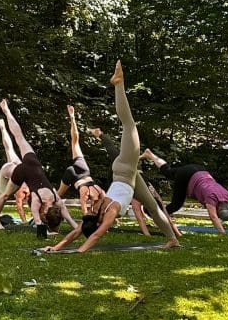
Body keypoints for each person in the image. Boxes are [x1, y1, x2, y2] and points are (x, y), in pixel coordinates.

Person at [44, 62, 180, 253]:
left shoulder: (97, 215)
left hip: (124, 170)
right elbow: (95, 235)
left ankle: (118, 84)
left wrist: (57, 247)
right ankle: (172, 239)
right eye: (91, 212)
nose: (89, 209)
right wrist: (76, 250)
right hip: (128, 176)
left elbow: (78, 233)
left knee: (129, 125)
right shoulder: (109, 213)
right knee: (129, 126)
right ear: (97, 219)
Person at [0, 100, 77, 237]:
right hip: (22, 171)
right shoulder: (37, 201)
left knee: (19, 137)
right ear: (45, 213)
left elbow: (66, 215)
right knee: (6, 195)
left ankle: (7, 111)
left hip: (34, 164)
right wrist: (47, 232)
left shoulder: (55, 198)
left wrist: (76, 227)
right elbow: (37, 219)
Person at [141, 149, 228, 234]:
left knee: (168, 172)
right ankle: (154, 214)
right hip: (187, 176)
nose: (219, 218)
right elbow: (213, 217)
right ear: (219, 209)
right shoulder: (212, 199)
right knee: (176, 205)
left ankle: (150, 154)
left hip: (198, 169)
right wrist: (222, 234)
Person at [0, 118, 30, 223]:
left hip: (18, 166)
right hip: (8, 170)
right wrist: (24, 221)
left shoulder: (29, 187)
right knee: (2, 193)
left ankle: (3, 128)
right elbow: (19, 207)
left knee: (9, 149)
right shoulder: (22, 191)